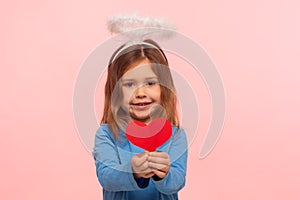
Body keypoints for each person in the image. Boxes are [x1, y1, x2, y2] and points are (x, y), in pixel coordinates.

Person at [93, 39, 188, 200]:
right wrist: (133, 170)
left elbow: (177, 181)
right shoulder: (106, 134)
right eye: (129, 84)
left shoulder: (176, 135)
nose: (140, 92)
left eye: (150, 83)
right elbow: (106, 177)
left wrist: (164, 173)